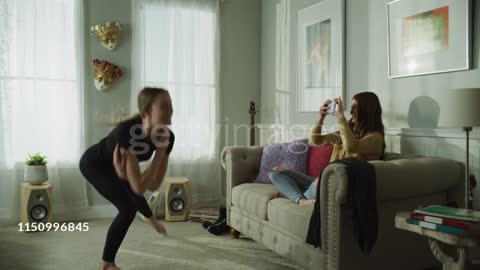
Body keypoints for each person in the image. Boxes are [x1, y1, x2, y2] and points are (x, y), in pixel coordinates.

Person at [79, 87, 175, 270]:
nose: (171, 110)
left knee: (130, 195)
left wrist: (161, 153)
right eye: (164, 105)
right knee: (128, 208)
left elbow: (154, 184)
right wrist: (157, 158)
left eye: (171, 105)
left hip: (121, 169)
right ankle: (107, 264)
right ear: (147, 111)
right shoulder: (128, 132)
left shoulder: (167, 138)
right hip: (94, 164)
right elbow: (138, 189)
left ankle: (149, 218)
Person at [269, 92, 386, 205]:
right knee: (276, 172)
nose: (350, 111)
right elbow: (314, 141)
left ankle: (300, 199)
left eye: (355, 108)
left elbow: (351, 146)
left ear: (367, 110)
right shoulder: (344, 134)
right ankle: (298, 195)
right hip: (325, 180)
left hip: (341, 186)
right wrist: (321, 117)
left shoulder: (375, 138)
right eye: (351, 107)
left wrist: (341, 118)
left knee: (318, 181)